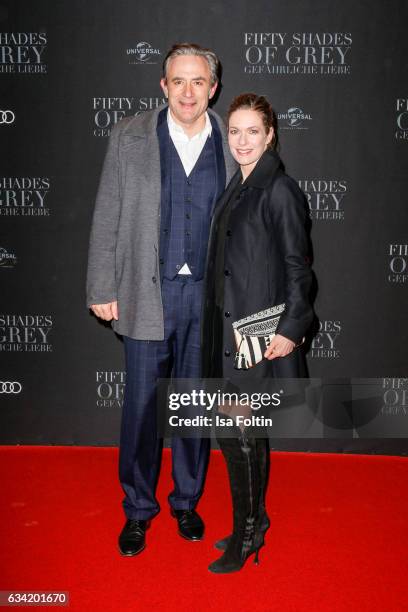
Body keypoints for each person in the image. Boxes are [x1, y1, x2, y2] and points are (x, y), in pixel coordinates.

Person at [86, 43, 236, 556]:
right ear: (163, 86)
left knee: (195, 405)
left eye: (198, 82)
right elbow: (107, 212)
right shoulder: (129, 136)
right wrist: (101, 286)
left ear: (212, 87)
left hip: (208, 299)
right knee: (143, 408)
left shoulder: (233, 140)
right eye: (178, 81)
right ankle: (138, 510)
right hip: (147, 294)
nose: (188, 92)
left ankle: (187, 501)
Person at [201, 93, 313, 573]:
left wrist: (290, 329)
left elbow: (299, 269)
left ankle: (247, 538)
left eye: (253, 131)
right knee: (237, 432)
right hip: (230, 332)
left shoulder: (279, 189)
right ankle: (255, 521)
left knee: (241, 432)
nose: (242, 141)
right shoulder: (238, 185)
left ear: (270, 136)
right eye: (235, 131)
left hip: (259, 334)